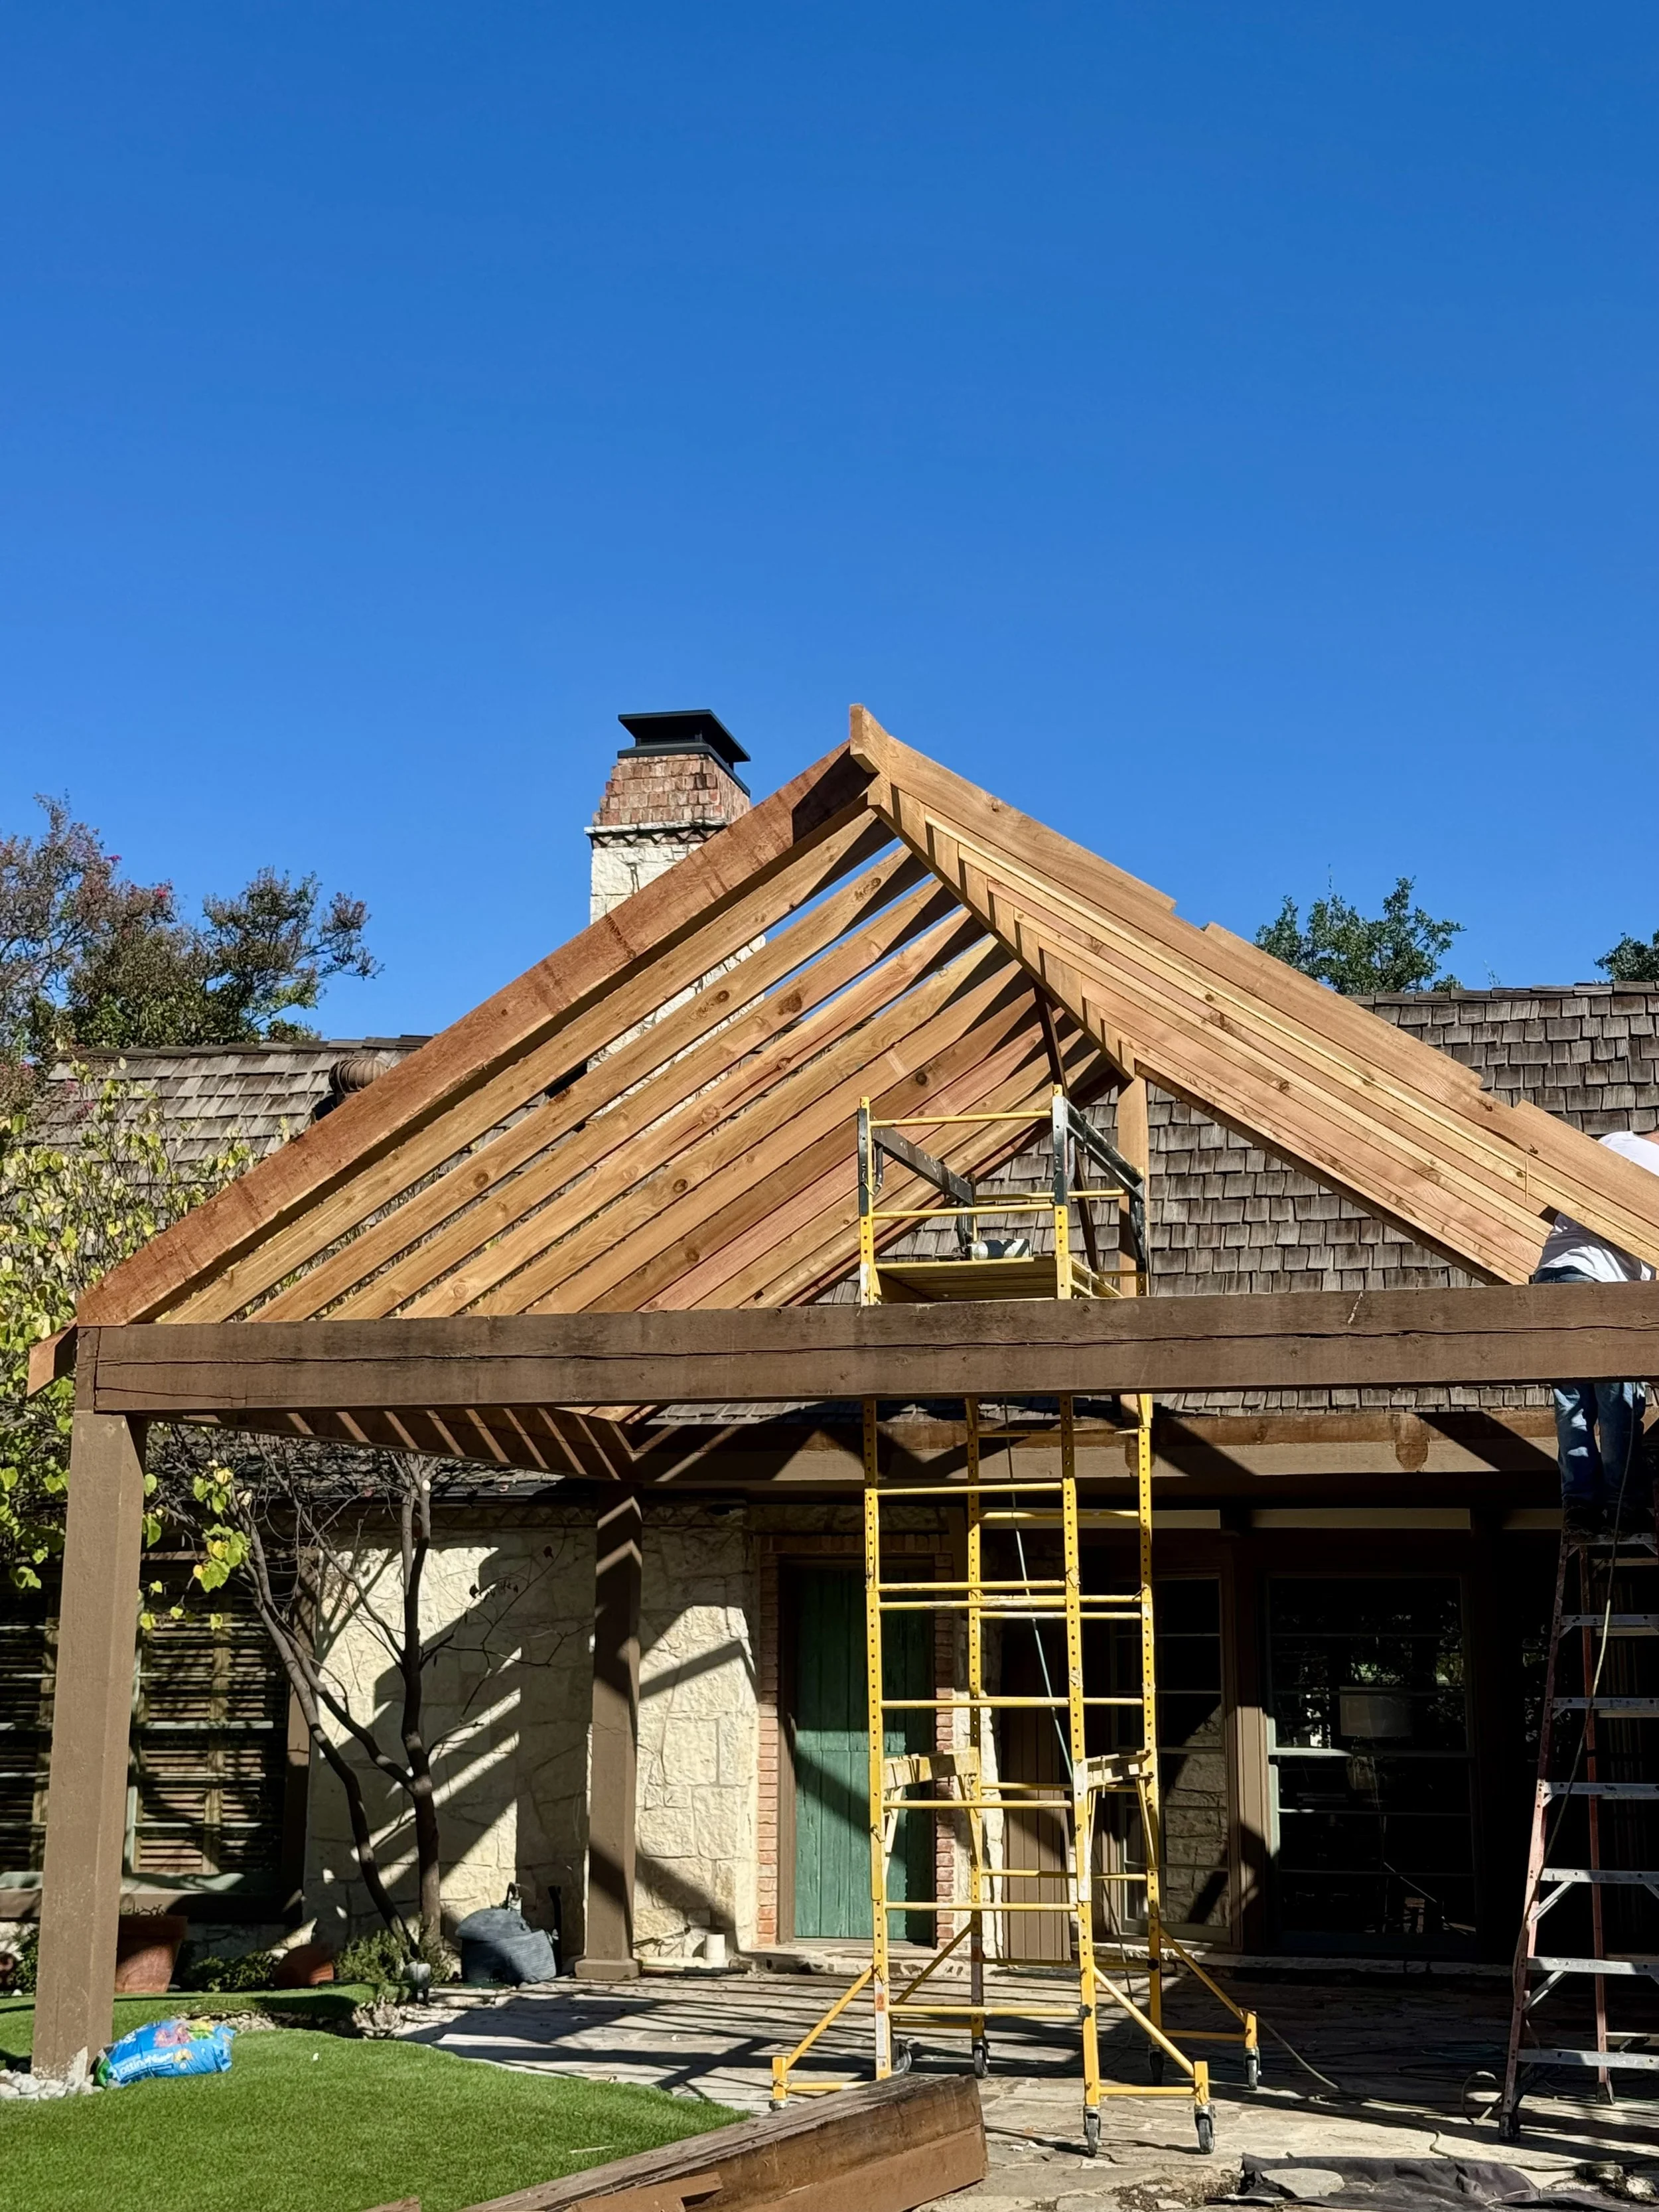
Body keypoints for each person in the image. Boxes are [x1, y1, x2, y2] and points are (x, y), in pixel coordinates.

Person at [1534, 1127, 1659, 1542]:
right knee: (1618, 1401)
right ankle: (1626, 1510)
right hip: (1601, 1281)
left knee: (1573, 1404)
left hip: (1553, 1275)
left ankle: (1581, 1508)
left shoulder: (1614, 1141)